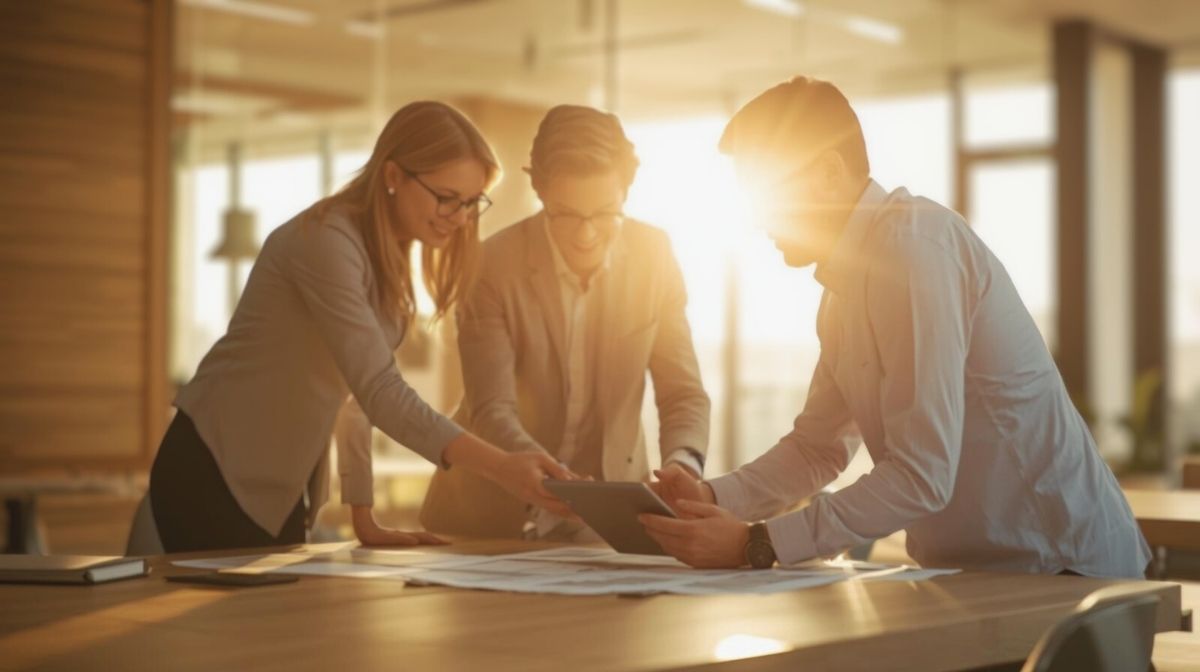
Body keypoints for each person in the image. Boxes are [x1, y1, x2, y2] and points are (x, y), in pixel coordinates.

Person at [641, 77, 1151, 578]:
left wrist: (759, 543)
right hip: (977, 576)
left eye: (765, 193)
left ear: (827, 172)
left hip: (1060, 569)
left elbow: (921, 475)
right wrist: (710, 496)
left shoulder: (914, 251)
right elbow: (818, 448)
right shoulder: (843, 296)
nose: (757, 219)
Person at [150, 101, 576, 552]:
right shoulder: (326, 242)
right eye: (446, 197)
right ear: (392, 177)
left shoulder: (387, 257)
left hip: (279, 486)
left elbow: (352, 396)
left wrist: (363, 514)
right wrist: (501, 465)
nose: (460, 216)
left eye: (471, 203)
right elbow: (380, 390)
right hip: (214, 465)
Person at [421, 105, 710, 540]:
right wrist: (552, 477)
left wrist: (682, 466)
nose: (586, 234)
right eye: (568, 214)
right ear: (541, 194)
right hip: (484, 520)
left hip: (604, 524)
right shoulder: (490, 264)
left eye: (604, 213)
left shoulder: (654, 256)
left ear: (626, 194)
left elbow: (683, 393)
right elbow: (492, 409)